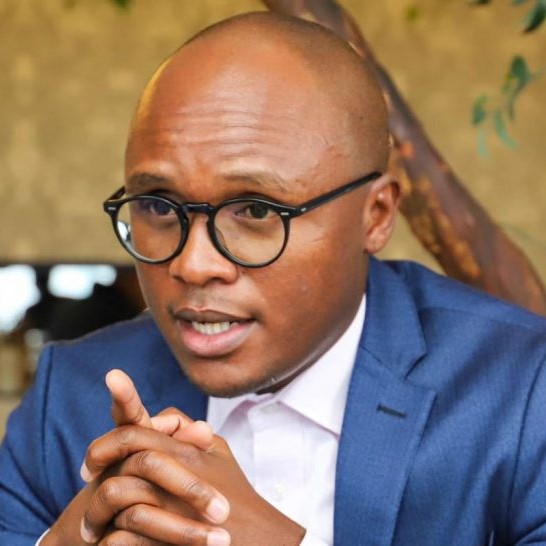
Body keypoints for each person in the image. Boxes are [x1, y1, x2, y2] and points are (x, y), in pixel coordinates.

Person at [2, 11, 546, 545]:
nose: (193, 264)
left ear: (375, 216)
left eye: (257, 211)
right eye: (159, 206)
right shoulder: (72, 397)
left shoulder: (521, 392)